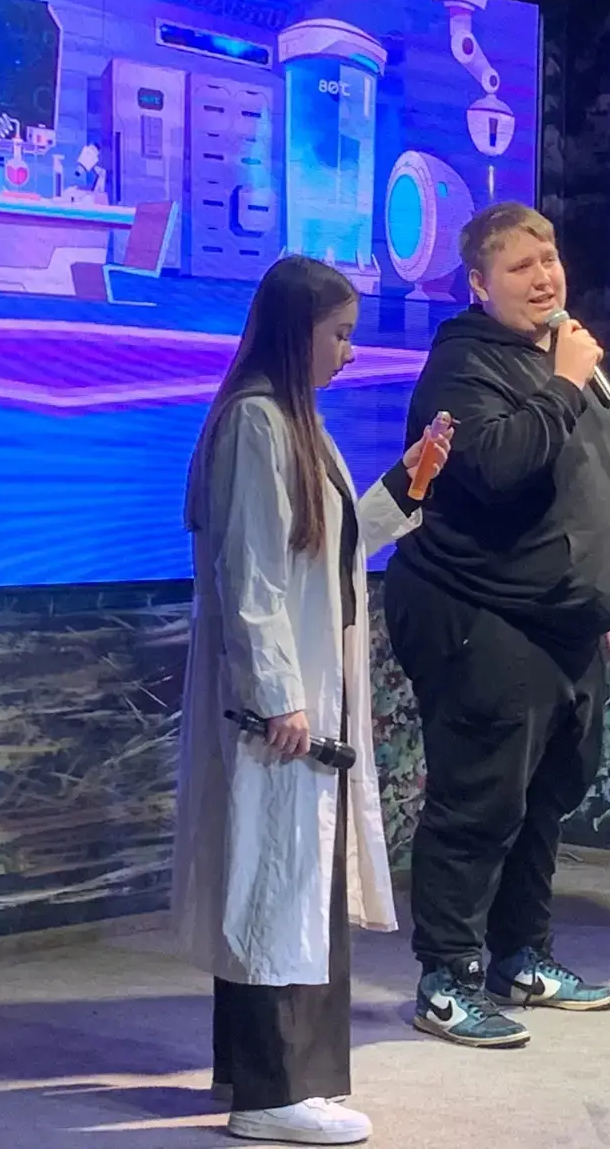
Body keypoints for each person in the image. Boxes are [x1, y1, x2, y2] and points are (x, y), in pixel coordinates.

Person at [172, 255, 453, 1145]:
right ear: (299, 334)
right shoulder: (256, 425)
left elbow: (330, 548)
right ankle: (269, 1092)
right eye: (339, 334)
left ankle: (278, 1080)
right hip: (280, 719)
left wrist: (407, 485)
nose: (350, 351)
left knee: (293, 888)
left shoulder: (298, 427)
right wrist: (277, 696)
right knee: (274, 888)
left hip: (302, 711)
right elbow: (251, 574)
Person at [384, 201, 610, 1048]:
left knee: (544, 799)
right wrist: (563, 384)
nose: (543, 277)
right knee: (478, 802)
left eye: (549, 259)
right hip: (484, 614)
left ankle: (521, 957)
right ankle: (445, 980)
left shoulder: (562, 357)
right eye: (521, 266)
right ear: (479, 283)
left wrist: (601, 598)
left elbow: (592, 484)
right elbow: (496, 467)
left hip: (564, 623)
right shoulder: (462, 365)